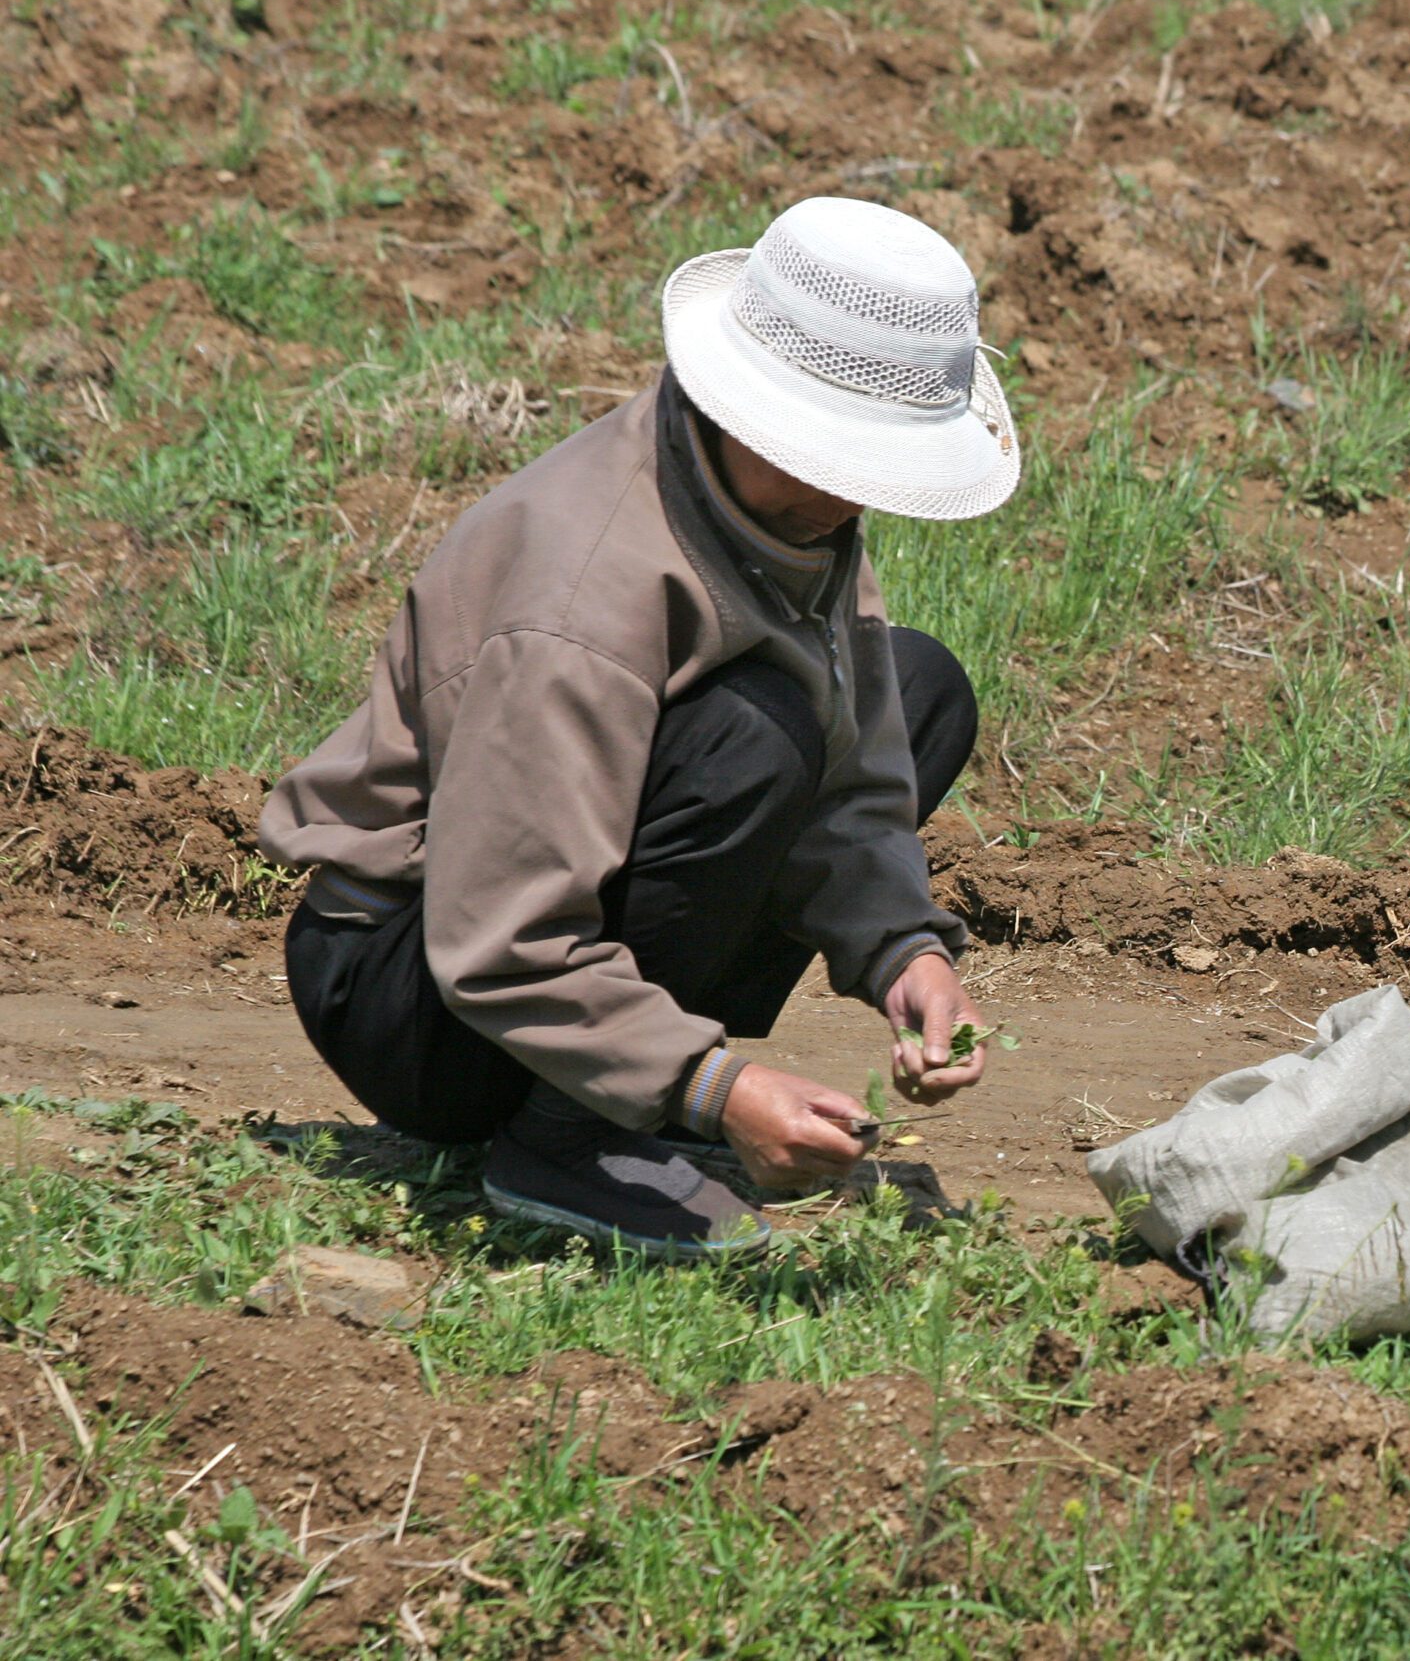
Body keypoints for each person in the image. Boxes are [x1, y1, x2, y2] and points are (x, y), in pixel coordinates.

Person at [259, 198, 1018, 1260]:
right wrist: (713, 1087)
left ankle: (609, 1096)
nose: (852, 498)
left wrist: (902, 951)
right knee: (756, 735)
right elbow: (500, 939)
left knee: (917, 682)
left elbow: (853, 770)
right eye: (835, 459)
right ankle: (562, 1140)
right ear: (749, 413)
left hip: (519, 953)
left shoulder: (778, 508)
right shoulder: (582, 596)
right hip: (415, 989)